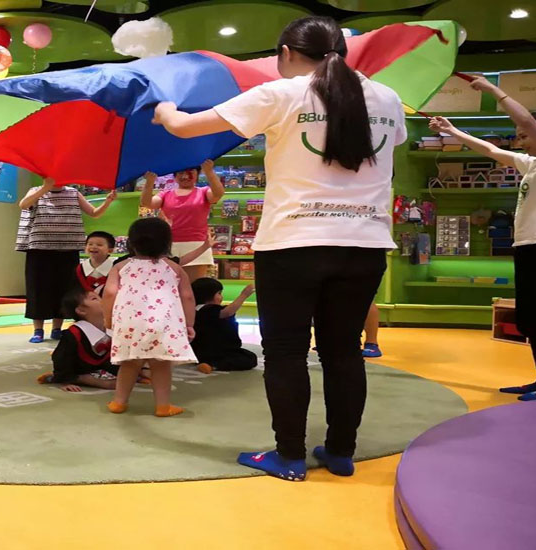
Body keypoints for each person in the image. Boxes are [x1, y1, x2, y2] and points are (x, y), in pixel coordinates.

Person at [154, 16, 405, 480]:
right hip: (365, 243)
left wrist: (165, 106)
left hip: (293, 243)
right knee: (343, 352)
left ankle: (289, 456)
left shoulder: (280, 93)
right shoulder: (387, 98)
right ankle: (341, 452)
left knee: (286, 352)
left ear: (286, 53)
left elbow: (185, 127)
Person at [430, 107, 536, 401]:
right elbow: (490, 150)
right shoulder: (532, 165)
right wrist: (452, 131)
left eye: (525, 135)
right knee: (534, 318)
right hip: (527, 247)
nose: (520, 142)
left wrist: (492, 90)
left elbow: (529, 125)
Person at [103, 217, 197, 417]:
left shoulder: (120, 267)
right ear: (167, 243)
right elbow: (188, 297)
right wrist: (189, 324)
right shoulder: (174, 268)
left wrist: (107, 319)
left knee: (129, 363)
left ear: (131, 242)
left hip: (129, 323)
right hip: (164, 323)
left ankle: (119, 402)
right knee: (161, 364)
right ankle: (163, 406)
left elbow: (109, 293)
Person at [17, 179, 116, 343]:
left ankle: (57, 328)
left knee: (65, 288)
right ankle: (38, 330)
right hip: (39, 249)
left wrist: (108, 201)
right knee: (37, 288)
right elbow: (24, 204)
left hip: (68, 248)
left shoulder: (73, 192)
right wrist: (45, 188)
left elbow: (93, 213)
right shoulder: (36, 190)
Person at [140, 159, 224, 280]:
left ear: (197, 174)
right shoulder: (165, 194)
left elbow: (218, 194)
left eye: (190, 172)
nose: (185, 176)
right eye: (180, 173)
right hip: (168, 245)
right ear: (175, 176)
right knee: (167, 284)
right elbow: (147, 203)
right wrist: (149, 182)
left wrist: (209, 172)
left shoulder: (203, 192)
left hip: (197, 244)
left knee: (193, 286)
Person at [37, 287, 120, 392]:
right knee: (110, 383)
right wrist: (66, 380)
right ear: (81, 311)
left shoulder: (111, 327)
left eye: (100, 297)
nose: (102, 300)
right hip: (79, 369)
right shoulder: (73, 334)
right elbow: (61, 358)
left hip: (103, 367)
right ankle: (81, 379)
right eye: (94, 299)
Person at [190, 278, 257, 374]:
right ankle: (213, 365)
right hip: (219, 351)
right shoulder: (208, 310)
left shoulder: (195, 310)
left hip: (200, 352)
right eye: (219, 293)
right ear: (208, 295)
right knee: (250, 358)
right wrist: (244, 295)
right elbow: (228, 312)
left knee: (245, 354)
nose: (221, 297)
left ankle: (207, 363)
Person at [76, 231, 116, 296]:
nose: (94, 247)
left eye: (99, 245)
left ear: (110, 250)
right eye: (90, 244)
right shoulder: (79, 270)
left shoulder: (116, 270)